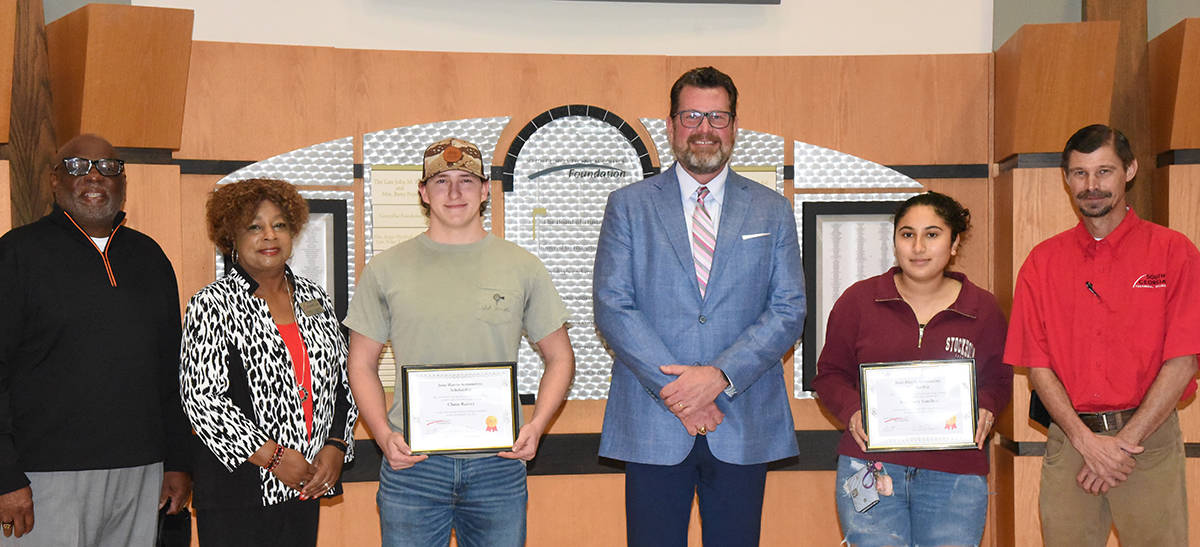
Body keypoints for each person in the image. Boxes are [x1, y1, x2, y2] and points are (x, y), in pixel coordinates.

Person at [593, 66, 804, 546]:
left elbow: (789, 308)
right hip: (653, 419)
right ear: (671, 125)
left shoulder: (772, 210)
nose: (705, 129)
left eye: (717, 117)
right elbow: (612, 304)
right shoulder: (628, 205)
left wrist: (718, 377)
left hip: (742, 415)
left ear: (734, 127)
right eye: (691, 116)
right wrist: (682, 393)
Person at [344, 137, 575, 547]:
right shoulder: (385, 269)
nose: (454, 193)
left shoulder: (523, 267)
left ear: (486, 190)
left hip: (498, 467)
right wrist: (382, 436)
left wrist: (537, 426)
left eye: (467, 181)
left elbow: (560, 358)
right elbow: (360, 363)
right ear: (422, 192)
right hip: (412, 467)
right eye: (441, 181)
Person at [1005, 124, 1200, 546]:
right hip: (1072, 441)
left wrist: (1121, 445)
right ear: (1066, 178)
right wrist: (1087, 444)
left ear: (1129, 170)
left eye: (1104, 171)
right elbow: (1037, 367)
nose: (1091, 186)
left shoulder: (1174, 252)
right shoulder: (1041, 263)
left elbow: (1184, 360)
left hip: (1148, 443)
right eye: (1079, 173)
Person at [0, 134, 192, 544]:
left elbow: (170, 369)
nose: (94, 176)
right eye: (77, 167)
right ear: (54, 180)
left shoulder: (149, 257)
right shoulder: (17, 254)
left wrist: (177, 461)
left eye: (108, 168)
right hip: (42, 478)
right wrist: (4, 476)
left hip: (142, 474)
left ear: (123, 183)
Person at [812, 191, 1011, 546]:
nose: (918, 246)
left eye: (932, 234)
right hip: (870, 467)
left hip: (955, 475)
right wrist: (852, 411)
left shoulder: (983, 308)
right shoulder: (858, 301)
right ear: (895, 242)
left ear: (954, 243)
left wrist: (988, 406)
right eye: (907, 234)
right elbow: (829, 374)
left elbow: (999, 378)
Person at [179, 178, 357, 546]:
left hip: (306, 481)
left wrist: (336, 446)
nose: (269, 236)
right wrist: (275, 459)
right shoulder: (212, 304)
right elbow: (202, 400)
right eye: (254, 227)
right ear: (232, 238)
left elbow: (344, 380)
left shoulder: (314, 297)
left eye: (279, 225)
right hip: (239, 489)